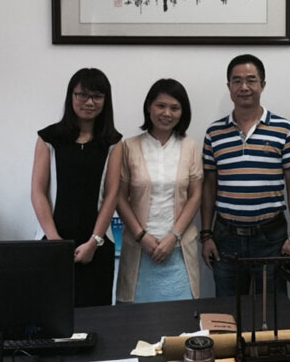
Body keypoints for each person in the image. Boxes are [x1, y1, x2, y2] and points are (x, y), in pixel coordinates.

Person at [201, 54, 290, 297]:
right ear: (229, 86)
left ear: (263, 85)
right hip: (226, 237)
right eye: (237, 81)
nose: (244, 87)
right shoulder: (214, 133)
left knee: (271, 311)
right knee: (227, 311)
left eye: (251, 80)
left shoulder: (284, 129)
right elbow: (209, 186)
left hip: (270, 237)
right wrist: (206, 235)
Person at [31, 68, 123, 307]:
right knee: (51, 314)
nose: (89, 102)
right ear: (71, 96)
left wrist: (94, 240)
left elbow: (112, 193)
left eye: (97, 96)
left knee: (96, 319)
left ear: (106, 100)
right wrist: (55, 241)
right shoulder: (48, 138)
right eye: (82, 95)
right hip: (53, 241)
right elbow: (38, 191)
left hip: (97, 245)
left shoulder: (113, 141)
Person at [116, 79, 202, 303]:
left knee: (181, 318)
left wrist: (174, 236)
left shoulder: (190, 147)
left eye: (175, 108)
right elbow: (119, 196)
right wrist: (141, 236)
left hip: (179, 249)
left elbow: (195, 196)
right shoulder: (128, 147)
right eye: (161, 106)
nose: (167, 113)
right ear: (149, 107)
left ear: (183, 112)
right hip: (139, 249)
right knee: (136, 318)